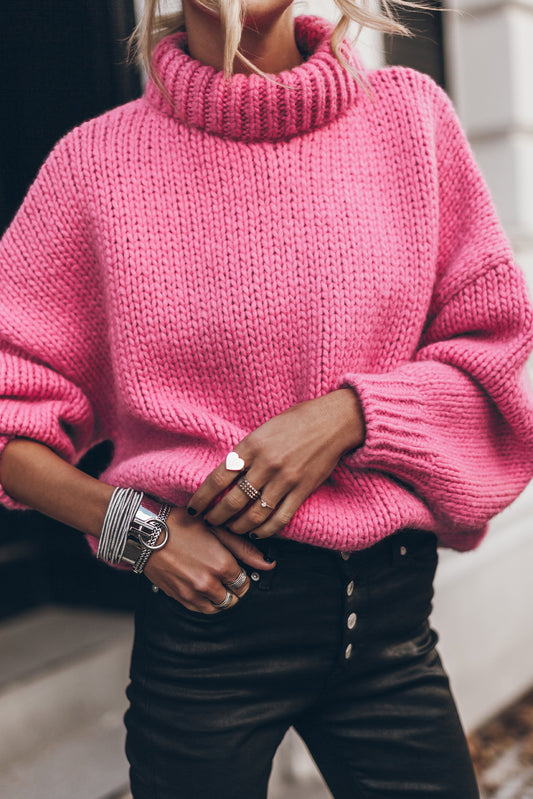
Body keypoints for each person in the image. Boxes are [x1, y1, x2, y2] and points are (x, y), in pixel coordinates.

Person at [1, 0, 533, 796]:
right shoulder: (96, 166)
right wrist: (138, 533)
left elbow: (498, 357)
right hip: (207, 639)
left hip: (388, 629)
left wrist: (349, 416)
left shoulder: (409, 119)